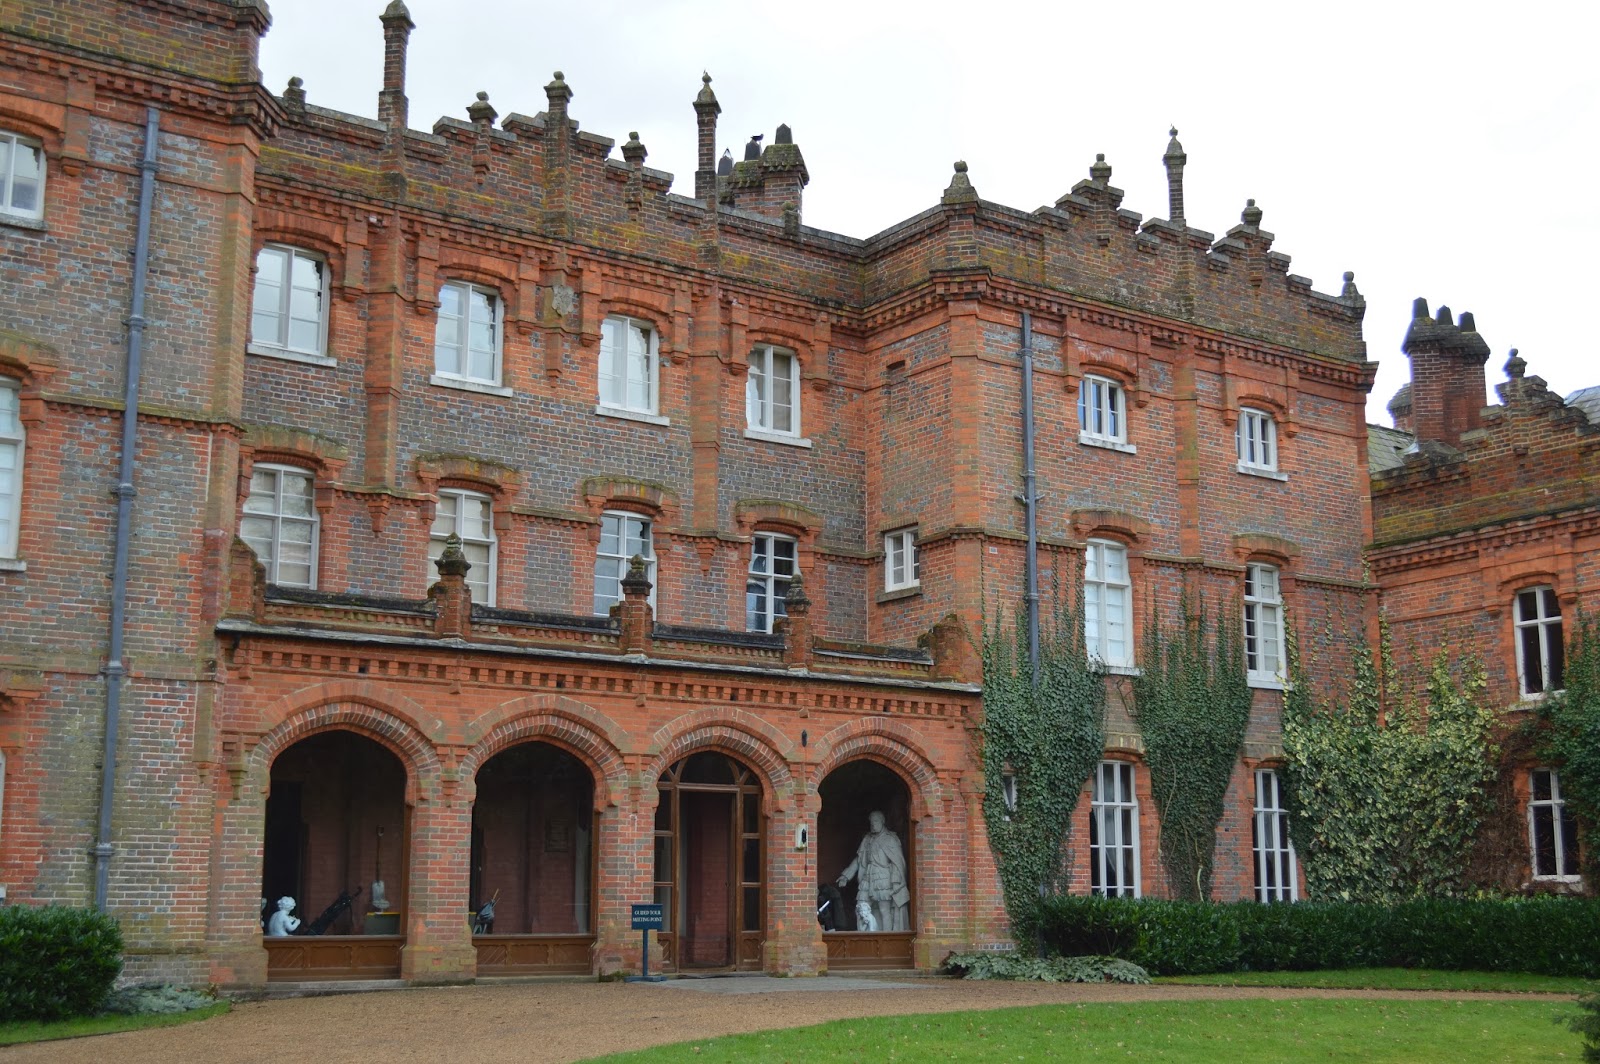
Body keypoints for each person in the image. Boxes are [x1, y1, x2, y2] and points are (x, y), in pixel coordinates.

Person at [836, 810, 909, 931]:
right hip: (868, 877)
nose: (873, 825)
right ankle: (863, 936)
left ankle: (887, 938)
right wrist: (846, 875)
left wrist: (896, 881)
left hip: (884, 878)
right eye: (871, 822)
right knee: (860, 906)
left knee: (884, 910)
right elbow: (859, 859)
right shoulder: (867, 839)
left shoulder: (890, 839)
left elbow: (897, 862)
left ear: (882, 821)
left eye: (876, 821)